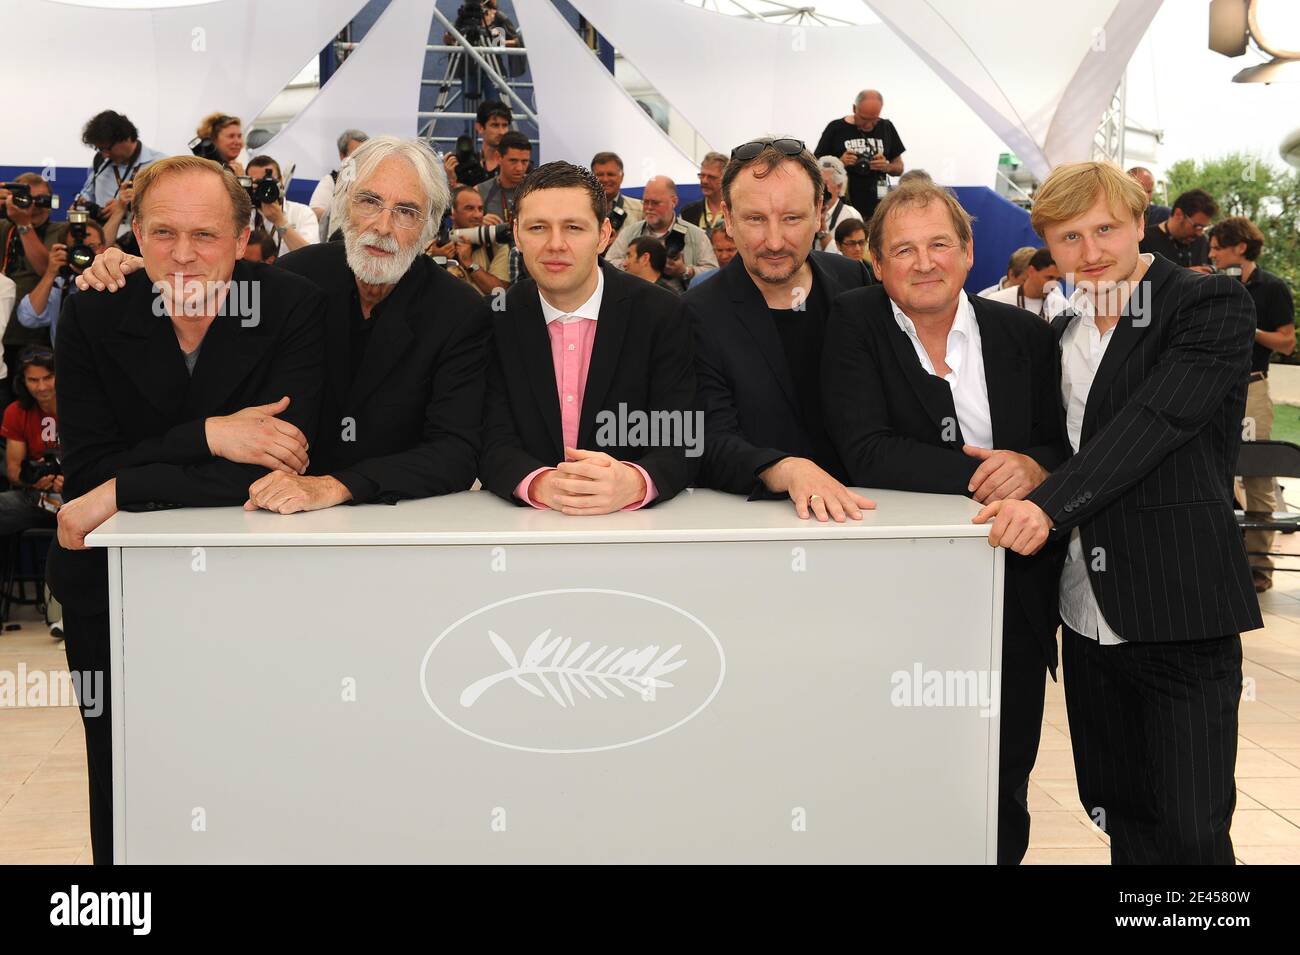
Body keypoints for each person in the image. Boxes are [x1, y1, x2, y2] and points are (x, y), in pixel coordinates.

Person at [976, 160, 1260, 865]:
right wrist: (1030, 468)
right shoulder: (1061, 332)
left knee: (1191, 829)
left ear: (1141, 223)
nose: (1092, 250)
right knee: (1120, 813)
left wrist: (1046, 504)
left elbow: (1155, 419)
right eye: (1070, 237)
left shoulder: (1207, 303)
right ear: (1048, 245)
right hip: (1084, 612)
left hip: (1180, 610)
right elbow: (1061, 443)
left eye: (1106, 228)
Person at [52, 154, 326, 863]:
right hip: (113, 596)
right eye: (163, 232)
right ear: (133, 235)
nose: (182, 254)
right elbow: (85, 469)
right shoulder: (92, 310)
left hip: (248, 591)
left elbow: (282, 459)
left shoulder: (290, 305)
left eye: (205, 235)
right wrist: (212, 436)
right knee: (124, 780)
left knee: (252, 778)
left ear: (243, 238)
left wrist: (125, 489)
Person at [821, 178, 1068, 863]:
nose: (923, 262)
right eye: (903, 249)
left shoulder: (1024, 335)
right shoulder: (851, 324)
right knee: (895, 772)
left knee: (1000, 775)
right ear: (876, 262)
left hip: (1009, 593)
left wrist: (1032, 467)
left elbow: (1062, 446)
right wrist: (985, 476)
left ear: (968, 253)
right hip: (893, 599)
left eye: (938, 244)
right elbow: (864, 450)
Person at [78, 137, 490, 515]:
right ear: (344, 206)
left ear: (431, 227)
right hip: (256, 516)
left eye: (406, 211)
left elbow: (455, 452)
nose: (382, 226)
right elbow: (211, 270)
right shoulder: (299, 275)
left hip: (393, 518)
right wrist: (140, 270)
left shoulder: (459, 312)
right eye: (369, 201)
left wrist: (338, 486)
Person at [478, 161, 696, 513]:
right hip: (527, 531)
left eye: (574, 228)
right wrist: (538, 482)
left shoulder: (661, 314)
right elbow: (489, 437)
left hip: (637, 531)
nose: (555, 244)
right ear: (516, 234)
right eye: (538, 228)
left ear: (604, 234)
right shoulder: (496, 318)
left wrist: (636, 481)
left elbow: (683, 436)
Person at [683, 137, 876, 520]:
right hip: (757, 525)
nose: (774, 241)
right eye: (756, 219)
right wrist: (783, 469)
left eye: (791, 218)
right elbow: (703, 439)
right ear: (729, 217)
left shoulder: (855, 279)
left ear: (820, 212)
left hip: (871, 514)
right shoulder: (694, 314)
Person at [1210, 216, 1296, 593]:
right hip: (1210, 387)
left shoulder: (1272, 287)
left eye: (1217, 246)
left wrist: (1249, 327)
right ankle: (1213, 560)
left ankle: (1259, 566)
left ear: (1240, 247)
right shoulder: (1209, 285)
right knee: (1211, 471)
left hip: (1253, 388)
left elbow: (1287, 343)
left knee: (1258, 473)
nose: (1210, 253)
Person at [0, 174, 67, 374]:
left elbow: (46, 270)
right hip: (3, 330)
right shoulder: (4, 227)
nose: (35, 206)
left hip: (36, 335)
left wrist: (23, 224)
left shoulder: (61, 231)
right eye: (28, 198)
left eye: (42, 200)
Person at [604, 176, 718, 291]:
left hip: (681, 302)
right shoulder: (629, 233)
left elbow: (713, 274)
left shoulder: (696, 236)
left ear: (674, 201)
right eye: (645, 202)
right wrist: (636, 265)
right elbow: (608, 265)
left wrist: (685, 271)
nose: (649, 208)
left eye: (655, 203)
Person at [813, 89, 905, 222]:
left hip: (877, 208)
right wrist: (840, 162)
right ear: (854, 108)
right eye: (864, 119)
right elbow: (817, 165)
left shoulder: (886, 127)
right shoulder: (836, 128)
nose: (868, 125)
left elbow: (899, 168)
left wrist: (886, 166)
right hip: (843, 209)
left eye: (874, 120)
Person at [16, 218, 107, 347]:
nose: (84, 254)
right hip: (69, 363)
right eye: (76, 249)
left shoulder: (116, 281)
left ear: (103, 248)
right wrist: (50, 273)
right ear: (66, 252)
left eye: (91, 247)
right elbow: (28, 317)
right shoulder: (60, 285)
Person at [0, 347, 61, 536]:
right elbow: (14, 471)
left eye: (48, 377)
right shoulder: (16, 412)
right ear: (23, 382)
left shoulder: (84, 405)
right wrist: (34, 481)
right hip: (39, 496)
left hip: (84, 493)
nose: (41, 387)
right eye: (33, 380)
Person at [77, 111, 166, 240]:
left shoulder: (159, 164)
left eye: (107, 148)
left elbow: (166, 206)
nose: (105, 155)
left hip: (139, 240)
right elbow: (87, 194)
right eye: (100, 149)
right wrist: (82, 203)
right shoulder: (100, 162)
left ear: (127, 138)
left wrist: (128, 206)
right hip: (102, 239)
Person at [426, 184, 511, 295]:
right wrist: (437, 260)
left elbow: (499, 292)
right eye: (469, 208)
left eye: (480, 209)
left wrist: (470, 263)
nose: (477, 215)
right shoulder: (435, 246)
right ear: (452, 213)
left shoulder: (496, 245)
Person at [245, 155, 319, 256]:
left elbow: (312, 257)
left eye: (268, 182)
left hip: (290, 271)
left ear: (281, 181)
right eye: (257, 183)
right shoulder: (242, 215)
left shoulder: (302, 213)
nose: (264, 188)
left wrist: (280, 221)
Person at [1139, 187, 1217, 271]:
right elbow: (1144, 283)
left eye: (1203, 228)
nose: (1199, 233)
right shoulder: (1145, 241)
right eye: (1197, 226)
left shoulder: (1201, 241)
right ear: (1178, 214)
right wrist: (1186, 276)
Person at [982, 247, 1066, 319]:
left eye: (1058, 280)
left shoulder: (1063, 307)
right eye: (1049, 278)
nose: (1054, 285)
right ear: (1031, 271)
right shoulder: (996, 301)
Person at [446, 101, 511, 188]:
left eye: (505, 125)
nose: (501, 132)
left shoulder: (515, 164)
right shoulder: (465, 166)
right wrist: (451, 179)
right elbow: (455, 199)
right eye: (495, 125)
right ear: (479, 127)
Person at [309, 128, 369, 222]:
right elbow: (315, 211)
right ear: (342, 156)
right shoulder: (332, 180)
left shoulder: (375, 180)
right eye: (356, 154)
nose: (361, 158)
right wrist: (340, 219)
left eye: (365, 153)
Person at [477, 130, 532, 224]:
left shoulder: (538, 191)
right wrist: (477, 222)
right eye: (513, 161)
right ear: (498, 157)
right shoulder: (479, 191)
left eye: (524, 161)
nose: (519, 168)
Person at [815, 156, 862, 253]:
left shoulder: (850, 216)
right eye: (816, 183)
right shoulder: (808, 211)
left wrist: (822, 230)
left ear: (839, 186)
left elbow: (850, 256)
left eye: (824, 184)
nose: (820, 189)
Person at [590, 151, 643, 237]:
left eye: (610, 174)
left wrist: (621, 245)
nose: (605, 179)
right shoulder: (580, 208)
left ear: (621, 177)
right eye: (600, 174)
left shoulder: (640, 210)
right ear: (592, 178)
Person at [679, 152, 728, 233]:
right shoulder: (687, 212)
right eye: (702, 175)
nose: (704, 181)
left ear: (725, 178)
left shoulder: (736, 212)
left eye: (711, 177)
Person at [687, 222, 737, 288]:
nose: (724, 256)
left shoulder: (754, 281)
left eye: (730, 250)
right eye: (719, 250)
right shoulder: (699, 283)